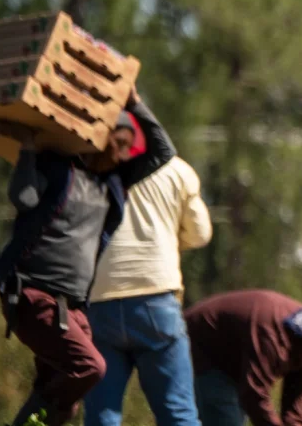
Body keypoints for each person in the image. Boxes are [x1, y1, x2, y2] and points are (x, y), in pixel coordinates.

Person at [0, 86, 176, 426]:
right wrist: (28, 148)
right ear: (96, 139)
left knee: (65, 399)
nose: (121, 153)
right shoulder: (58, 168)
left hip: (73, 308)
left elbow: (163, 151)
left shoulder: (114, 184)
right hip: (34, 296)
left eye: (125, 146)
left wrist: (135, 102)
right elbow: (23, 197)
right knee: (90, 368)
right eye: (117, 142)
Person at [82, 144, 213, 426]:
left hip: (99, 299)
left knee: (101, 416)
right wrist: (167, 239)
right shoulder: (176, 169)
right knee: (178, 414)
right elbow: (201, 233)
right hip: (155, 298)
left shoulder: (89, 165)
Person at [183, 289, 302, 426]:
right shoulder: (273, 335)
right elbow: (253, 393)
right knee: (227, 416)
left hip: (235, 367)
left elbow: (293, 404)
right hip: (203, 346)